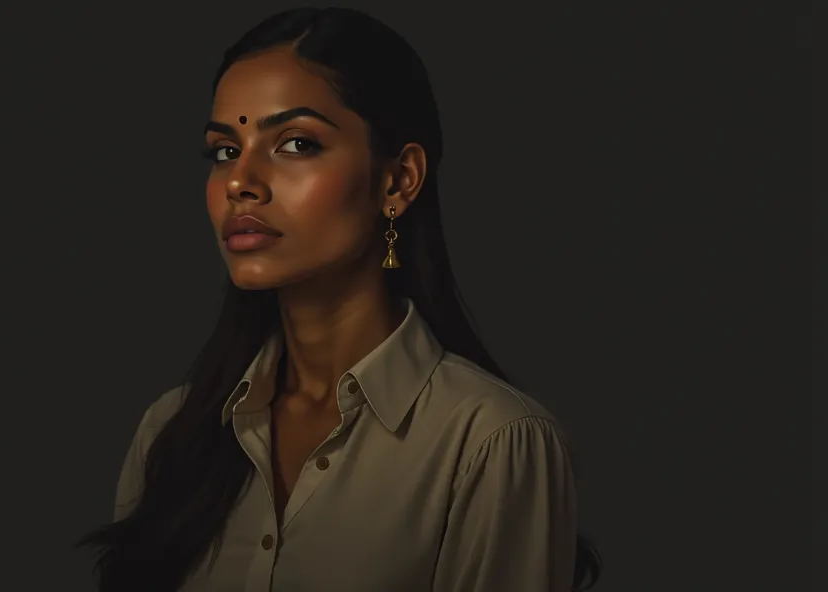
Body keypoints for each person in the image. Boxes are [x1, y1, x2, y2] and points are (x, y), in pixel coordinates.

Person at [78, 7, 602, 591]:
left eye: (296, 143)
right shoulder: (170, 432)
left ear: (398, 180)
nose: (239, 181)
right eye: (225, 150)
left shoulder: (491, 443)